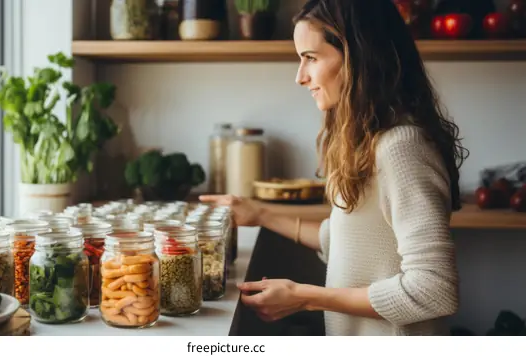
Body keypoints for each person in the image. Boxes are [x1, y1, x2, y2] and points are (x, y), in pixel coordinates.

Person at [199, 0, 469, 336]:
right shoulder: (370, 139)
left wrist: (305, 298)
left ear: (359, 56)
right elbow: (349, 242)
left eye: (310, 58)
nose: (300, 77)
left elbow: (434, 290)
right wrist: (260, 214)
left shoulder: (401, 147)